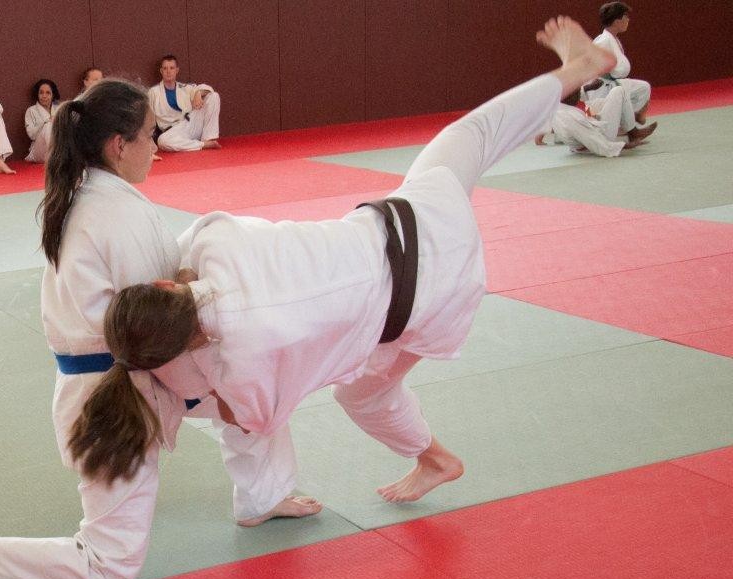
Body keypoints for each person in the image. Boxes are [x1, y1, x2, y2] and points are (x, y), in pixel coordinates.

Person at [85, 17, 619, 505]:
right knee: (471, 135)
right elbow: (192, 257)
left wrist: (200, 376)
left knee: (363, 396)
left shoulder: (243, 369)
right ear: (165, 284)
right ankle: (578, 69)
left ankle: (435, 458)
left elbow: (249, 420)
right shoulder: (214, 244)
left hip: (427, 297)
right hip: (408, 220)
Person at [0, 79, 318, 579]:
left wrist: (228, 379)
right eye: (150, 134)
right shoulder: (111, 213)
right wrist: (214, 371)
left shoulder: (94, 196)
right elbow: (155, 325)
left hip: (130, 379)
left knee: (258, 389)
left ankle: (262, 495)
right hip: (111, 403)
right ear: (118, 145)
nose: (156, 145)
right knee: (108, 566)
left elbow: (154, 299)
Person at [536, 84, 656, 156]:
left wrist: (540, 135)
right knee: (619, 91)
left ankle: (628, 120)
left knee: (597, 103)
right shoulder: (570, 118)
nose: (578, 97)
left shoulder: (557, 108)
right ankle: (633, 131)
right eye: (576, 94)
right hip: (602, 137)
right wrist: (624, 146)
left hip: (587, 131)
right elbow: (593, 140)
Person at [589, 1, 651, 124]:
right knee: (599, 119)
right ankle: (627, 122)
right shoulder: (603, 41)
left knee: (643, 88)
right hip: (602, 88)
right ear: (617, 21)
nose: (628, 20)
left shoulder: (612, 39)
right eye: (625, 16)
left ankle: (631, 118)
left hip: (613, 83)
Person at [147, 55, 221, 152]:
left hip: (191, 124)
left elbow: (207, 88)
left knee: (213, 96)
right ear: (161, 71)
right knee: (162, 141)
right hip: (173, 132)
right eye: (165, 68)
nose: (168, 71)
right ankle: (203, 144)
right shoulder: (153, 92)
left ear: (177, 70)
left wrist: (198, 93)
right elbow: (148, 118)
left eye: (172, 68)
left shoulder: (186, 88)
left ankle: (208, 138)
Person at [24, 78, 61, 164]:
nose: (44, 96)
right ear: (37, 94)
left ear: (53, 95)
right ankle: (57, 158)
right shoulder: (31, 111)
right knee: (48, 125)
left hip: (58, 148)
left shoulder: (58, 109)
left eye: (48, 93)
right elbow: (32, 135)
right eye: (41, 93)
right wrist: (46, 122)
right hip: (39, 151)